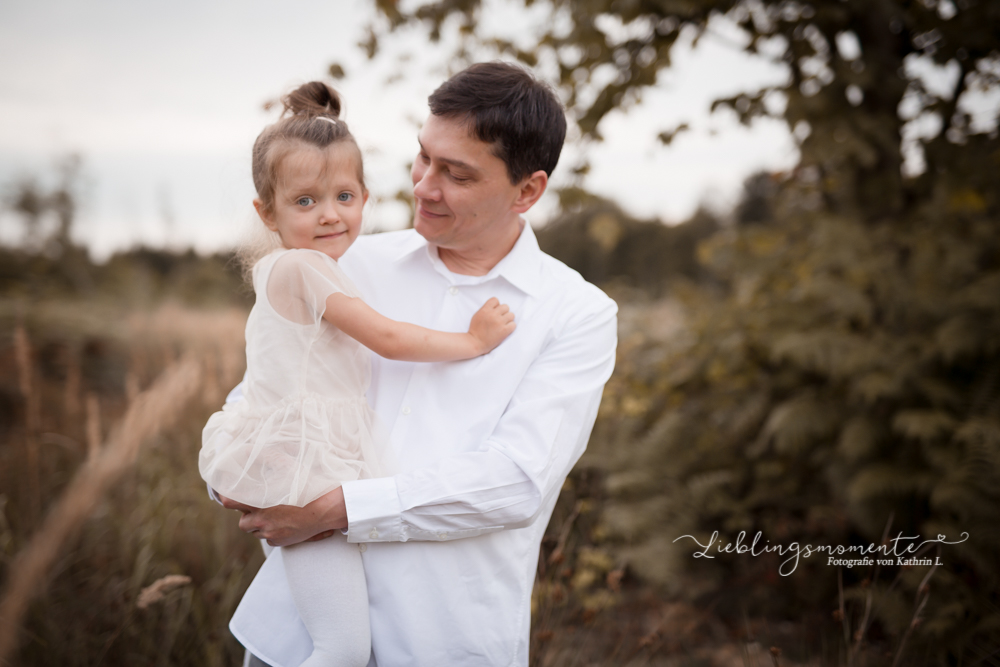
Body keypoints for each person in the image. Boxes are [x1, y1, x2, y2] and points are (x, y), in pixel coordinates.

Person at [220, 61, 618, 667]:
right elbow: (258, 396)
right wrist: (233, 473)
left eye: (456, 174)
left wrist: (336, 511)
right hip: (293, 635)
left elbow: (515, 483)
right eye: (423, 158)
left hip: (442, 638)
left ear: (528, 191)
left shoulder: (576, 314)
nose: (425, 187)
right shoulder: (345, 261)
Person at [201, 81, 516, 667]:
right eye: (304, 202)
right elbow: (388, 339)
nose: (329, 214)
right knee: (341, 648)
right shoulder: (304, 269)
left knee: (336, 641)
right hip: (307, 473)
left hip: (310, 466)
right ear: (265, 211)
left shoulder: (309, 266)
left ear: (366, 197)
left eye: (343, 195)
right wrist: (473, 340)